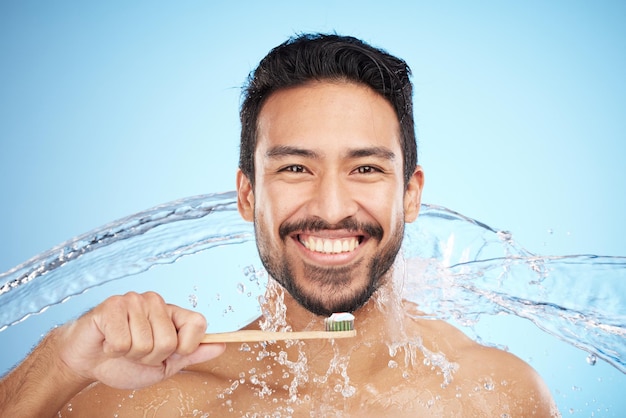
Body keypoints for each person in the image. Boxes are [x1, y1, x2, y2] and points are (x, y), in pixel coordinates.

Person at [0, 33, 559, 417]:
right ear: (248, 194)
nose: (333, 206)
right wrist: (63, 359)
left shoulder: (497, 395)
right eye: (295, 167)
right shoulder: (156, 401)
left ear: (410, 194)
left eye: (365, 168)